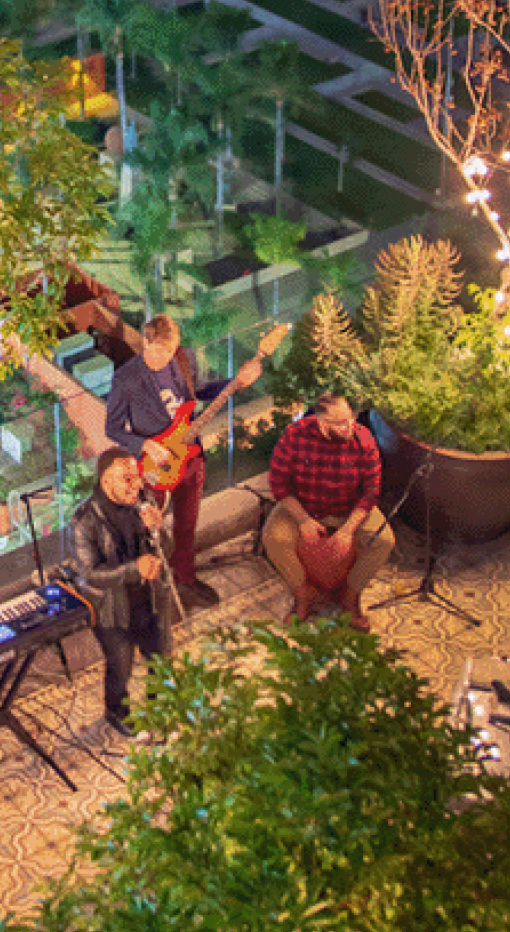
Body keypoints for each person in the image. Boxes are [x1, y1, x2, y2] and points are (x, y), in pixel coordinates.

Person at [105, 312, 259, 611]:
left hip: (190, 456)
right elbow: (112, 428)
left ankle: (185, 580)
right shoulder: (126, 378)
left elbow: (197, 392)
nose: (168, 357)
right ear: (146, 343)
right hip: (154, 466)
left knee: (187, 526)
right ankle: (150, 593)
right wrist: (146, 445)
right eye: (162, 351)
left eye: (173, 349)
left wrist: (236, 382)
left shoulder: (183, 358)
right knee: (149, 532)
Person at [262, 394, 392, 630]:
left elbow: (371, 492)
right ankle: (302, 595)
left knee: (383, 540)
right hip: (304, 507)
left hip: (348, 509)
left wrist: (347, 530)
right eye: (340, 422)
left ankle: (350, 598)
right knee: (274, 538)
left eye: (350, 418)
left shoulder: (363, 439)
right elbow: (279, 485)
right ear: (321, 422)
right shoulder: (294, 436)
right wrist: (303, 520)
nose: (349, 426)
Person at [73, 447, 172, 738]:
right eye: (126, 479)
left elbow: (167, 549)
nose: (136, 485)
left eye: (137, 477)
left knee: (160, 658)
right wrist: (133, 569)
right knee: (121, 663)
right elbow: (89, 575)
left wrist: (159, 529)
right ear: (106, 482)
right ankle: (116, 710)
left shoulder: (145, 501)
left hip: (151, 597)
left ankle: (160, 709)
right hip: (113, 607)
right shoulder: (85, 520)